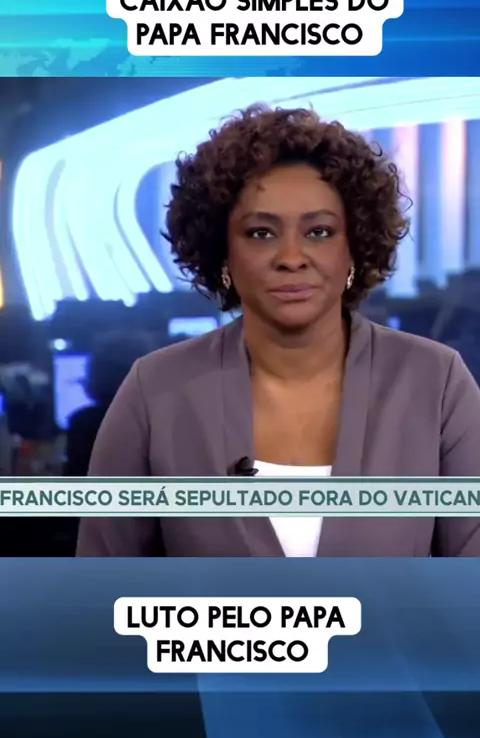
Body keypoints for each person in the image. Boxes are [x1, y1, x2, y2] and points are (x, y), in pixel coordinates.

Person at [76, 105, 480, 558]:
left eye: (319, 232)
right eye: (261, 233)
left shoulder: (437, 383)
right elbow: (99, 588)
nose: (291, 257)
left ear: (354, 249)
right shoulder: (155, 392)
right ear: (223, 254)